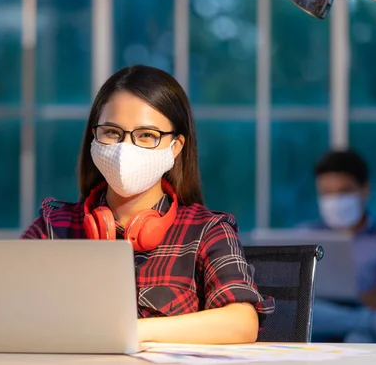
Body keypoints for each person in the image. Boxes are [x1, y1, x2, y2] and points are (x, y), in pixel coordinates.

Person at [21, 65, 274, 344]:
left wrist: (129, 332)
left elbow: (242, 322)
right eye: (112, 132)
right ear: (94, 136)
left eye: (146, 136)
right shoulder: (52, 227)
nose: (124, 148)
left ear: (176, 146)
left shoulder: (207, 230)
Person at [298, 149, 376, 343]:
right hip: (319, 316)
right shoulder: (304, 236)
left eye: (344, 192)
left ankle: (364, 321)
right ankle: (370, 321)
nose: (335, 201)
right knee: (306, 314)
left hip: (363, 320)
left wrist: (350, 297)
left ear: (364, 189)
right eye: (327, 193)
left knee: (359, 339)